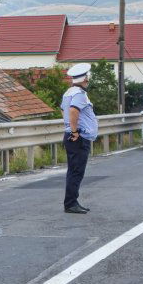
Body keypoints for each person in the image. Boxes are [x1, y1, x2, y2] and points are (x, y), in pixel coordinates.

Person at [60, 63, 98, 214]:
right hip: (78, 137)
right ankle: (70, 203)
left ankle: (71, 202)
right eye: (88, 78)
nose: (88, 80)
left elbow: (63, 109)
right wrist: (75, 131)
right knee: (76, 171)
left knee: (73, 170)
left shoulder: (68, 92)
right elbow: (73, 111)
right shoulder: (79, 95)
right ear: (85, 79)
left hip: (72, 136)